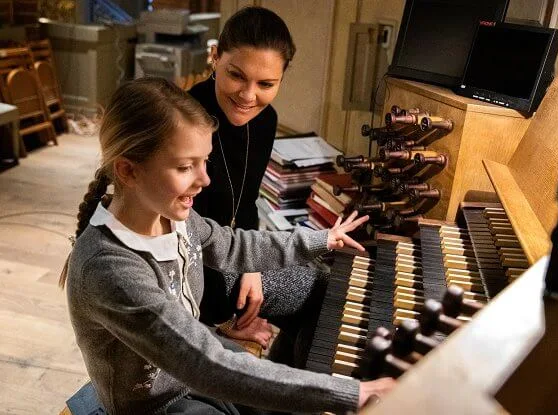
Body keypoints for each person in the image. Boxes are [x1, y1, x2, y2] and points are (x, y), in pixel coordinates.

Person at [60, 77, 395, 414]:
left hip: (191, 370)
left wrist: (320, 240)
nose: (204, 180)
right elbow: (205, 364)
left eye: (204, 161)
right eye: (185, 166)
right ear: (128, 171)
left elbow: (233, 245)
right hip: (157, 404)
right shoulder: (109, 268)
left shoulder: (176, 217)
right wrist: (352, 392)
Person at [188, 6, 331, 368]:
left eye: (266, 84)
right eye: (237, 75)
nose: (248, 95)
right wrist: (217, 326)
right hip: (190, 275)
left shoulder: (265, 120)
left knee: (328, 280)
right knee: (324, 292)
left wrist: (252, 266)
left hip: (234, 260)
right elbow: (171, 234)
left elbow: (247, 204)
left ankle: (289, 391)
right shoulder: (183, 116)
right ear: (215, 55)